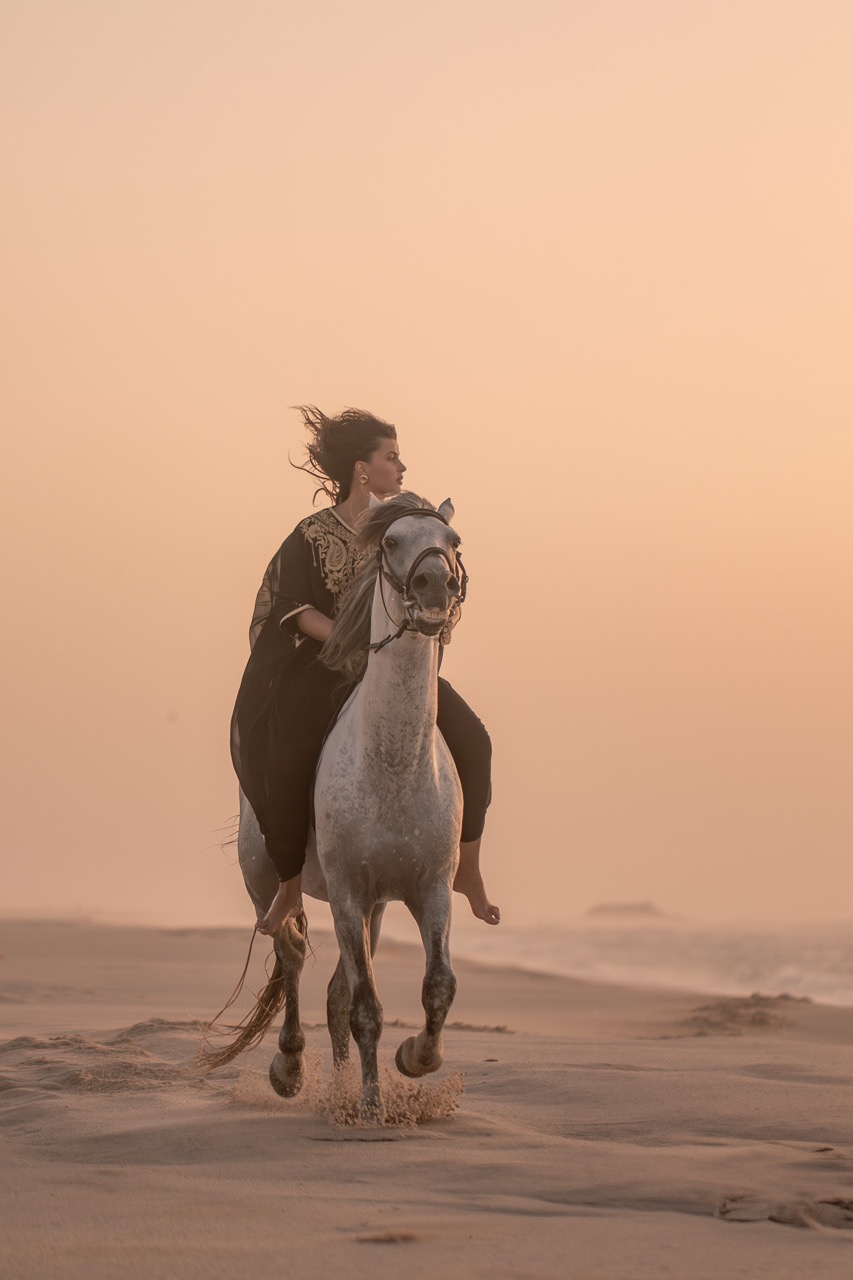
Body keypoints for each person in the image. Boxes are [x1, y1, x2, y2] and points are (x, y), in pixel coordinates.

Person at [230, 406, 500, 936]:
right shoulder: (311, 534)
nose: (401, 467)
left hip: (395, 672)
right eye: (391, 457)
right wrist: (352, 641)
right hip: (327, 669)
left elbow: (432, 581)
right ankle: (288, 884)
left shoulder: (402, 530)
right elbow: (291, 605)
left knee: (476, 740)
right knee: (288, 754)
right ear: (361, 468)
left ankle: (466, 867)